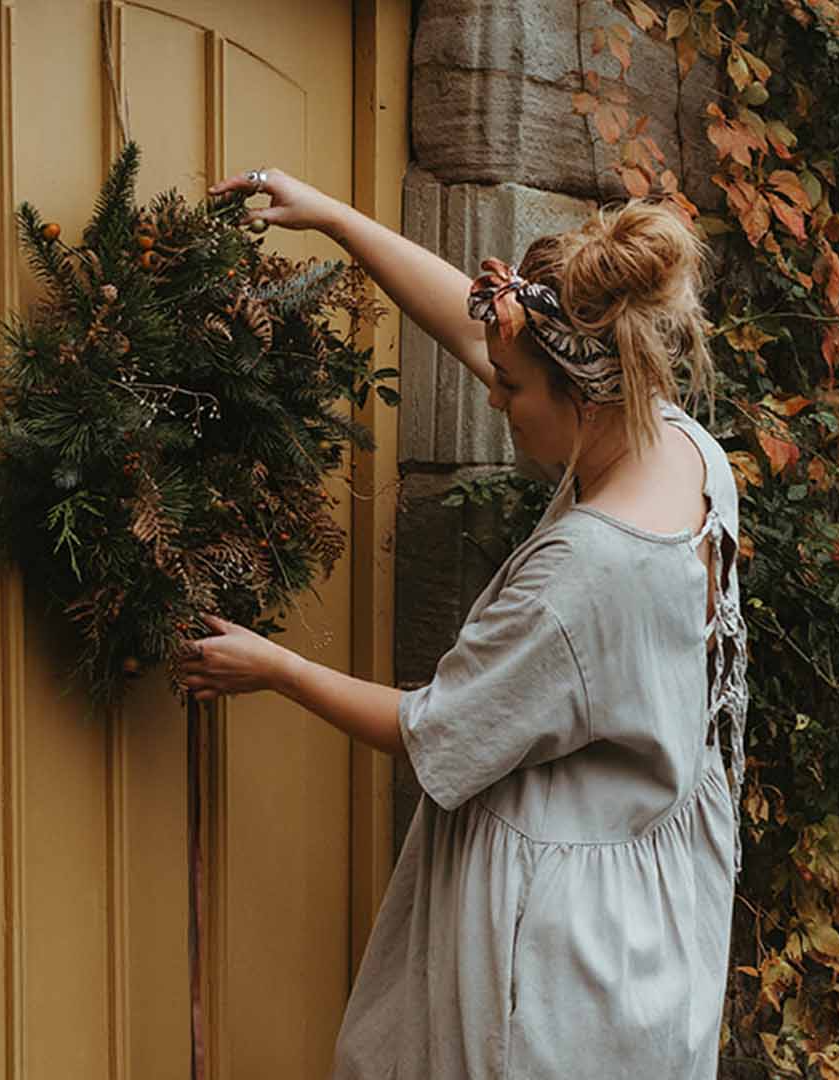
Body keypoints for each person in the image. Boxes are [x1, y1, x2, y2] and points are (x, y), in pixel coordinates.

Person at [176, 166, 749, 1080]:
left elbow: (428, 729)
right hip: (650, 902)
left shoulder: (587, 574)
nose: (492, 394)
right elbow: (494, 335)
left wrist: (273, 669)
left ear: (583, 392)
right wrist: (334, 217)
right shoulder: (676, 441)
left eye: (510, 388)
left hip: (562, 948)